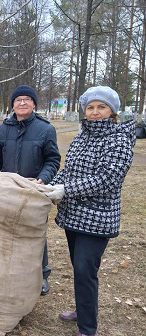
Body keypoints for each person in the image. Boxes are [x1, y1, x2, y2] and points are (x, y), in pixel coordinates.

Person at [40, 86, 135, 336]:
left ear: (112, 111)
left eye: (101, 107)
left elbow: (107, 179)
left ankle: (87, 328)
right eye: (91, 107)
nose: (95, 112)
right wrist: (53, 183)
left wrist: (65, 190)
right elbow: (69, 169)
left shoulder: (119, 139)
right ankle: (83, 311)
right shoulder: (82, 137)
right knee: (79, 267)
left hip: (97, 219)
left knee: (84, 268)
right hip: (74, 215)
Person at [0, 85, 61, 295]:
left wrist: (42, 179)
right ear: (12, 104)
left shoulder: (46, 129)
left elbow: (53, 160)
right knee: (6, 231)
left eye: (27, 99)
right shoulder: (3, 129)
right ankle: (9, 273)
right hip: (7, 192)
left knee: (35, 234)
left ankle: (41, 275)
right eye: (18, 100)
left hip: (33, 192)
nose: (22, 103)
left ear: (34, 104)